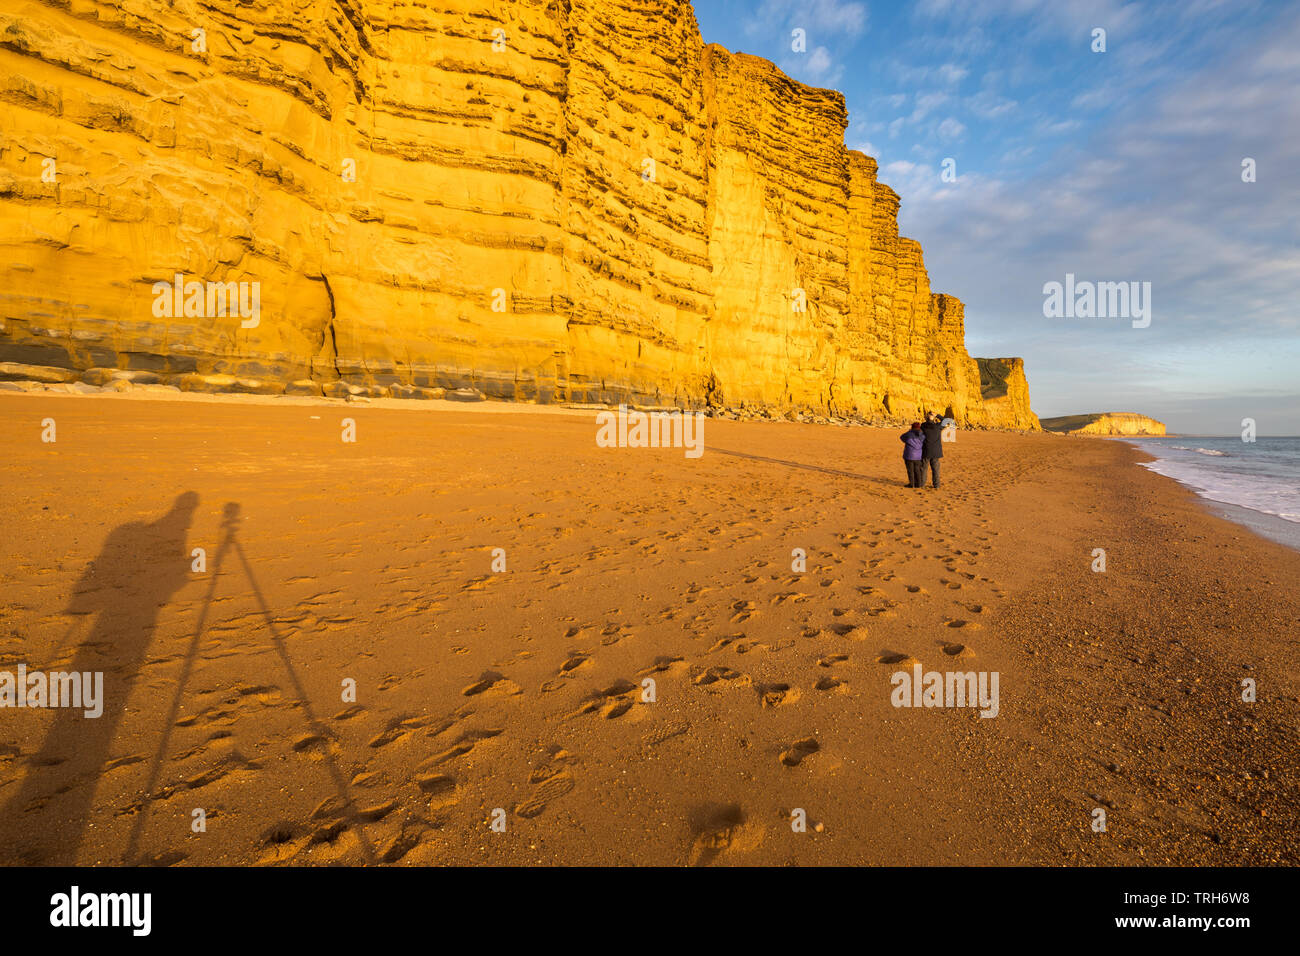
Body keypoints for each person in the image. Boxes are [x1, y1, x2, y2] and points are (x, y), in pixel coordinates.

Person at [919, 411, 945, 489]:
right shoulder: (938, 426)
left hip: (926, 450)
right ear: (934, 418)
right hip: (936, 452)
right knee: (935, 469)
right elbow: (947, 421)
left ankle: (922, 484)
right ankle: (936, 485)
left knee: (924, 469)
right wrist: (937, 415)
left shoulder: (923, 426)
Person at [900, 422, 925, 488]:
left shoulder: (909, 434)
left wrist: (910, 431)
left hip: (909, 455)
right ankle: (918, 484)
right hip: (918, 456)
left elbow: (902, 437)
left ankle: (912, 484)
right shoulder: (922, 435)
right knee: (917, 470)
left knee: (910, 471)